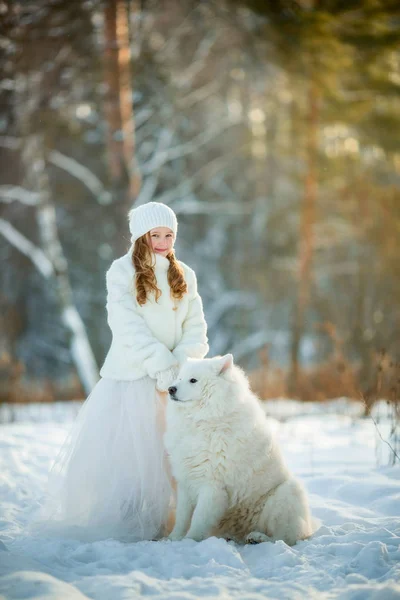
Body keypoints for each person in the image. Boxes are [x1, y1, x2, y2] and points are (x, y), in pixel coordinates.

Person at [37, 202, 209, 542]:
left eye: (169, 234)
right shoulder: (121, 271)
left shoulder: (185, 274)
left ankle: (176, 517)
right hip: (131, 379)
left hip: (175, 383)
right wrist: (158, 362)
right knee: (133, 454)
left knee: (171, 453)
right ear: (140, 236)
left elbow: (197, 327)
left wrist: (178, 365)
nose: (162, 241)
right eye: (155, 235)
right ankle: (131, 519)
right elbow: (126, 325)